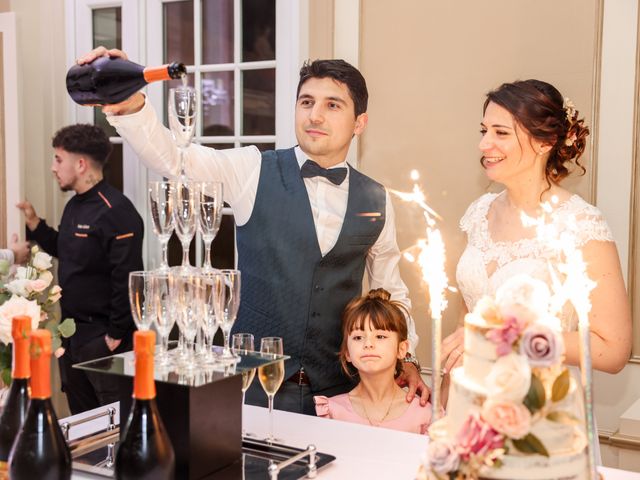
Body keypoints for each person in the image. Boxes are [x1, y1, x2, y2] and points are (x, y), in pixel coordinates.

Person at [78, 46, 428, 415]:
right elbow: (176, 159)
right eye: (306, 102)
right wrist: (129, 105)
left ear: (360, 123)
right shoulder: (252, 169)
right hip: (254, 387)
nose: (315, 115)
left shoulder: (376, 197)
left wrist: (409, 358)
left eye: (332, 105)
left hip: (341, 393)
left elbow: (390, 290)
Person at [443, 79, 632, 386]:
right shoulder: (480, 213)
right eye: (484, 130)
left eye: (501, 132)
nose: (484, 144)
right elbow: (468, 320)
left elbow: (612, 350)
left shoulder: (581, 225)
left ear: (545, 143)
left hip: (541, 406)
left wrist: (506, 338)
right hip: (470, 399)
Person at [17, 124, 144, 414]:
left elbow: (127, 278)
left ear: (81, 164)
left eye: (59, 159)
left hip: (105, 340)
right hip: (71, 336)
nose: (53, 167)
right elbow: (66, 251)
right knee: (83, 424)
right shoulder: (74, 206)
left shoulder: (117, 211)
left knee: (116, 423)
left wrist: (114, 335)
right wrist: (35, 224)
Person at [314, 289, 432, 433]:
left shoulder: (424, 414)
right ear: (347, 353)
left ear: (402, 349)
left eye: (380, 336)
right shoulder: (332, 411)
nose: (368, 344)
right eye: (358, 337)